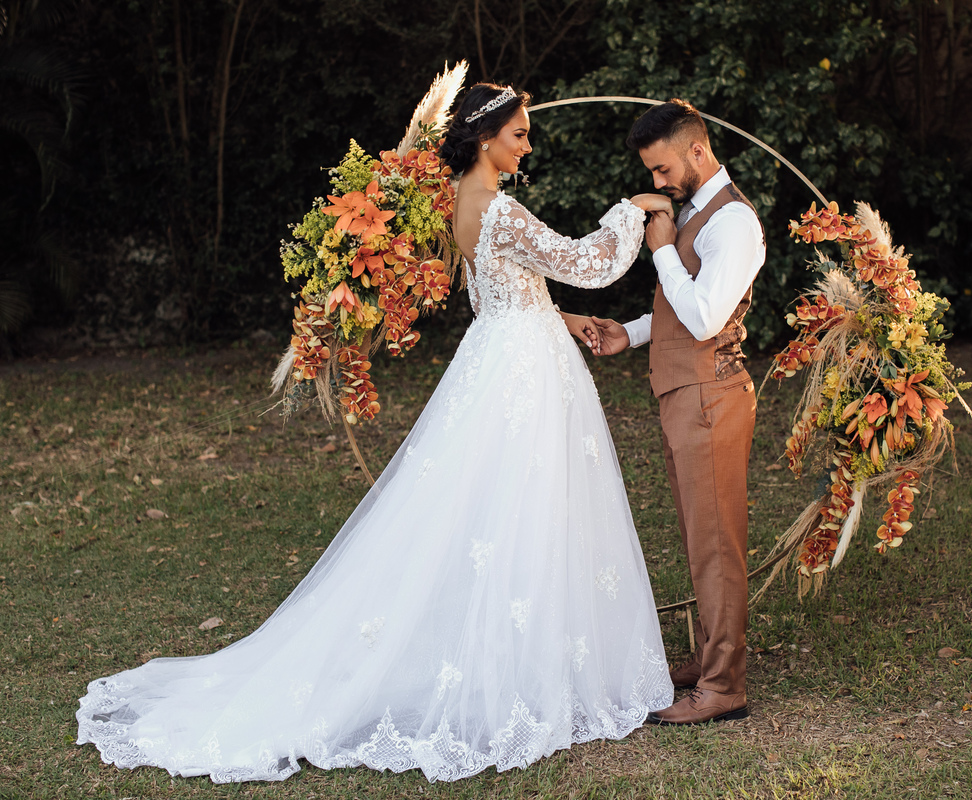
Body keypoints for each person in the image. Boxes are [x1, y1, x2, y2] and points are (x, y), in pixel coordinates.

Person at [75, 83, 674, 784]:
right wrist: (632, 211)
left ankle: (526, 657)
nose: (528, 145)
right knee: (520, 508)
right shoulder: (499, 207)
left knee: (505, 512)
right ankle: (521, 672)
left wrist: (557, 318)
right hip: (523, 374)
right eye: (518, 134)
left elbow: (505, 288)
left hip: (509, 352)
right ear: (484, 139)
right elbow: (584, 263)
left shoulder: (460, 203)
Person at [589, 98, 766, 726]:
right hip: (684, 396)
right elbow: (675, 314)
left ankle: (724, 688)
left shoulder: (733, 223)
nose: (657, 185)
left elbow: (705, 318)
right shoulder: (696, 216)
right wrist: (628, 334)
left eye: (662, 170)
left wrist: (661, 246)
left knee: (718, 545)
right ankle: (709, 656)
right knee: (700, 537)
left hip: (711, 399)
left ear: (697, 150)